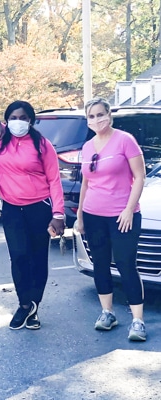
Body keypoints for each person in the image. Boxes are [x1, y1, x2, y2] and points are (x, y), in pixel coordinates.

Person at [76, 97, 147, 341]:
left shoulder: (125, 140)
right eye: (91, 116)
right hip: (94, 215)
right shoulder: (87, 147)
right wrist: (80, 215)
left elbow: (139, 177)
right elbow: (86, 182)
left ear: (109, 115)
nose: (96, 119)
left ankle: (137, 320)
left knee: (126, 265)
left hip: (122, 216)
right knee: (101, 264)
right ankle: (107, 313)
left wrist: (128, 210)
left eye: (100, 114)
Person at [0, 100, 65, 330]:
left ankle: (33, 308)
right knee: (19, 256)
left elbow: (54, 179)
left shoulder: (42, 144)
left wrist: (59, 214)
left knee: (37, 258)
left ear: (31, 120)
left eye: (23, 118)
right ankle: (24, 304)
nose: (18, 122)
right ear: (6, 120)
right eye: (13, 117)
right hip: (12, 208)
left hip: (39, 207)